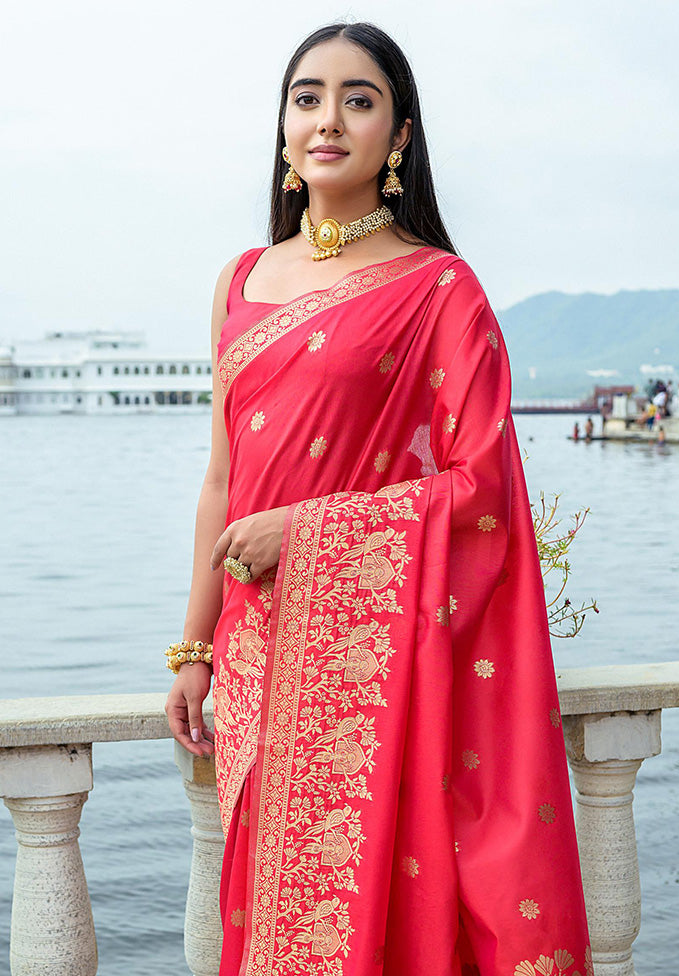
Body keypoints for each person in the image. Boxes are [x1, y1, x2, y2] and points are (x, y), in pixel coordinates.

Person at [165, 21, 592, 976]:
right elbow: (220, 482)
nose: (328, 119)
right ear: (282, 126)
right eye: (307, 97)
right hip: (252, 656)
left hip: (368, 659)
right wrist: (192, 649)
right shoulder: (240, 279)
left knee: (379, 917)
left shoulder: (441, 289)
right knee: (262, 914)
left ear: (398, 135)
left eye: (359, 100)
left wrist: (310, 535)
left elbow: (480, 489)